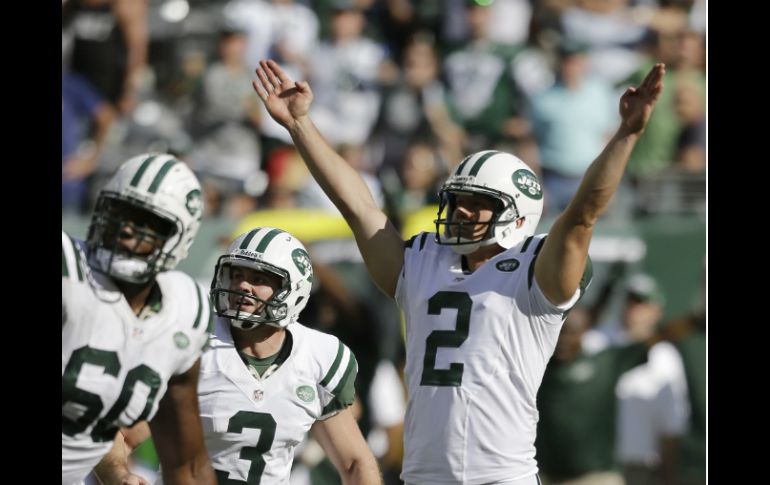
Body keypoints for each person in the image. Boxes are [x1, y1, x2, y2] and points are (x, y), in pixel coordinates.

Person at [252, 58, 665, 484]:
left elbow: (582, 215)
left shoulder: (534, 272)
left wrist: (625, 135)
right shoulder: (423, 261)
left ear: (517, 215)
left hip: (502, 476)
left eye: (479, 202)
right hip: (422, 476)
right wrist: (300, 125)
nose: (461, 210)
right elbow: (359, 208)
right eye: (458, 198)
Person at [107, 227, 382, 484]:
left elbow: (355, 462)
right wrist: (120, 475)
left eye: (259, 279)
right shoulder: (194, 345)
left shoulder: (319, 357)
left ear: (293, 289)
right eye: (237, 275)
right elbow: (119, 435)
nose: (242, 286)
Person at [62, 152, 215, 485]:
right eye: (121, 212)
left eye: (148, 223)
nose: (128, 229)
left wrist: (116, 474)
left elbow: (186, 463)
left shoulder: (184, 312)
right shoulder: (68, 270)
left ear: (179, 240)